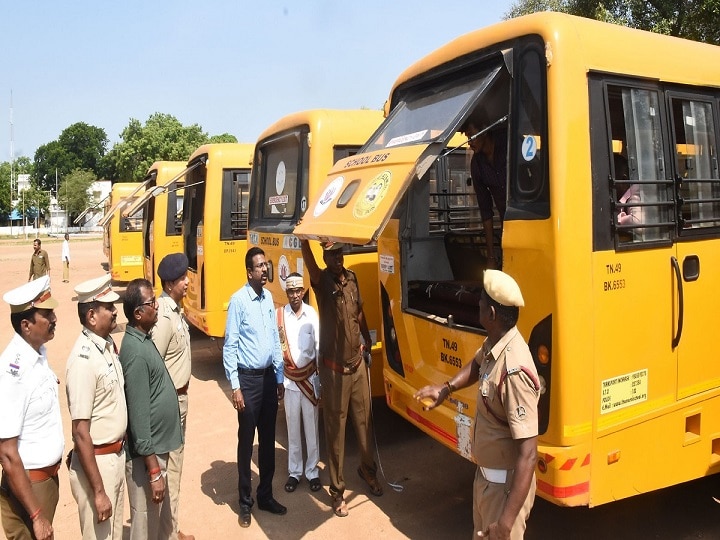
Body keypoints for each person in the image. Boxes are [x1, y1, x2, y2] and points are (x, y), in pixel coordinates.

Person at [414, 269, 540, 539]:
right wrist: (446, 389)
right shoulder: (495, 344)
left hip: (503, 493)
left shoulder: (514, 369)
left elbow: (529, 454)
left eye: (481, 302)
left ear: (492, 315)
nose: (477, 305)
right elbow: (477, 363)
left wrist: (506, 522)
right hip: (486, 482)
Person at [299, 239, 381, 518]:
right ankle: (337, 491)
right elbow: (311, 266)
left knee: (364, 423)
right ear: (324, 255)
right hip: (334, 372)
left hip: (357, 366)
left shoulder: (353, 279)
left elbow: (359, 311)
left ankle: (368, 472)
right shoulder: (322, 282)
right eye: (331, 254)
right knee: (336, 433)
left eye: (339, 252)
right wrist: (303, 243)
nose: (337, 258)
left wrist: (366, 340)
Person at [223, 247, 286, 528]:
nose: (264, 270)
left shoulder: (268, 298)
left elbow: (274, 339)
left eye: (266, 265)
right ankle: (245, 502)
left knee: (268, 439)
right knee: (246, 442)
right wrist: (235, 387)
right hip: (247, 382)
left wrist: (280, 377)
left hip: (269, 378)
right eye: (260, 266)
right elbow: (230, 346)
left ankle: (266, 496)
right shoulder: (238, 301)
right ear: (249, 272)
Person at [119, 279, 182, 540]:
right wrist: (154, 471)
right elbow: (139, 417)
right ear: (138, 313)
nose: (157, 306)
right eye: (151, 303)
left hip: (157, 450)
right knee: (144, 528)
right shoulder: (134, 352)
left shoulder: (143, 340)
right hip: (148, 459)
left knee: (156, 526)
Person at [0, 276, 62, 540]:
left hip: (44, 482)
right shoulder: (14, 370)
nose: (55, 319)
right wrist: (36, 515)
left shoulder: (37, 353)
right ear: (26, 325)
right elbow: (7, 452)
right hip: (30, 488)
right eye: (47, 314)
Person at [65, 274, 126, 540]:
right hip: (97, 465)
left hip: (114, 458)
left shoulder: (107, 346)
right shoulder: (83, 360)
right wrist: (98, 491)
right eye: (109, 307)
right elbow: (80, 432)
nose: (115, 312)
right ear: (91, 316)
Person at [151, 253, 194, 540]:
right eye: (182, 279)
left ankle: (170, 527)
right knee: (169, 471)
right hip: (170, 404)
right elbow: (153, 365)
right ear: (169, 284)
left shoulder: (175, 310)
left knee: (176, 470)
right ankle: (165, 533)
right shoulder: (164, 317)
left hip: (179, 400)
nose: (188, 282)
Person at [276, 272, 321, 494]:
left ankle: (312, 472)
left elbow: (318, 347)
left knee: (311, 429)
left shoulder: (312, 314)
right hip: (290, 383)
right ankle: (295, 472)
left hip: (310, 381)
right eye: (291, 291)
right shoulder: (280, 317)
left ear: (303, 291)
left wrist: (322, 381)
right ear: (286, 292)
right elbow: (277, 351)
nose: (295, 295)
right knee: (293, 430)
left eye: (298, 291)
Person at [462, 121, 508, 269]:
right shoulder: (477, 164)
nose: (470, 143)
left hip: (529, 218)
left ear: (485, 131)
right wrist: (491, 257)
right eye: (468, 138)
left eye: (473, 136)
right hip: (506, 224)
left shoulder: (509, 144)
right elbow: (486, 211)